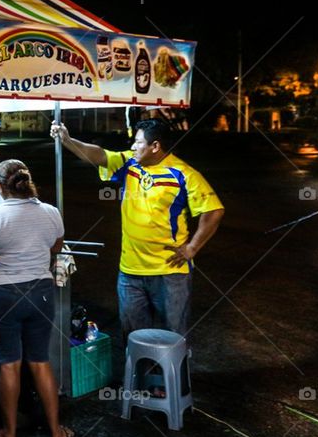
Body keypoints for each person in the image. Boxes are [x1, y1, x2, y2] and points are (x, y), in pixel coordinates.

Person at [50, 118, 224, 339]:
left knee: (173, 336)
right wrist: (67, 140)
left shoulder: (184, 174)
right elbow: (99, 155)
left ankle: (174, 363)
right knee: (133, 336)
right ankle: (137, 364)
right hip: (130, 272)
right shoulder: (130, 163)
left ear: (155, 146)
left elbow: (213, 210)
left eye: (138, 142)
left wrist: (192, 248)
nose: (133, 146)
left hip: (170, 273)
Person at [0, 159, 73, 437]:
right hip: (40, 293)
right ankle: (57, 432)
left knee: (9, 363)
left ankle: (8, 434)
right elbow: (56, 246)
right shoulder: (51, 212)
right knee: (40, 361)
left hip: (3, 295)